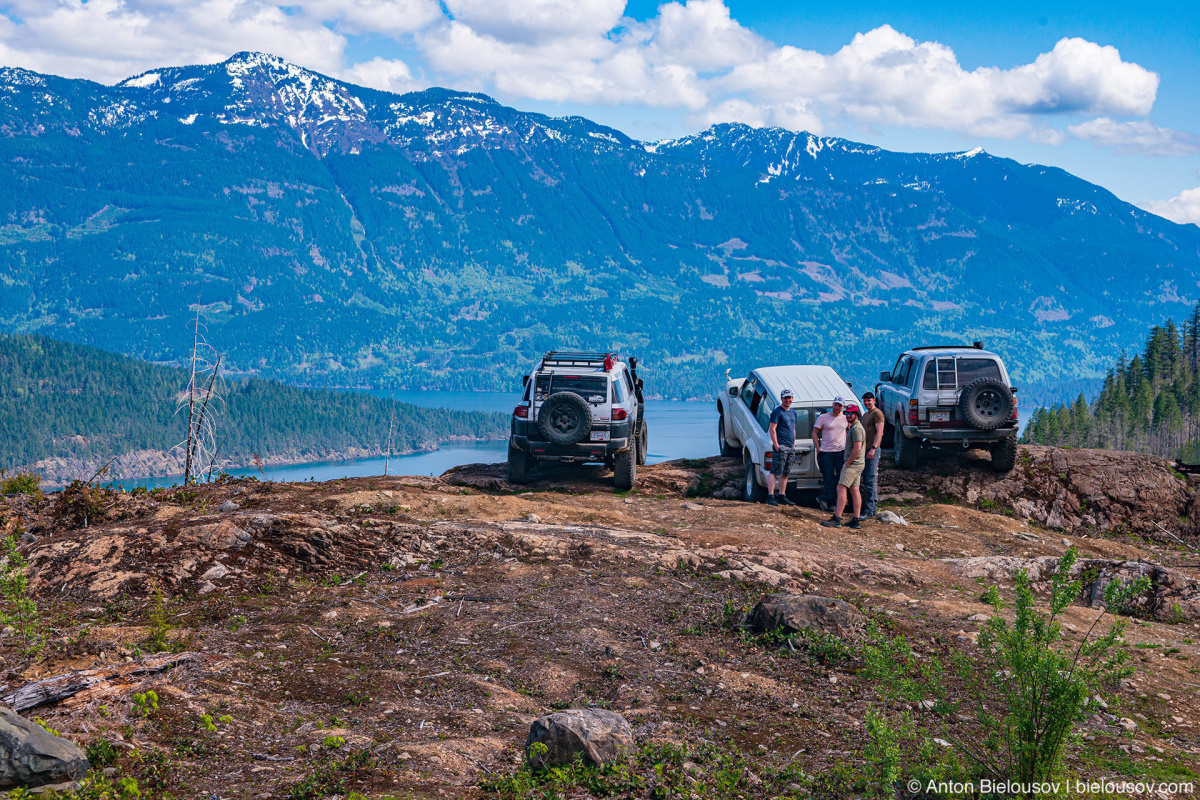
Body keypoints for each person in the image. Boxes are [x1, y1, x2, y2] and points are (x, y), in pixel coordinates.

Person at [821, 404, 865, 529]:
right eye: (847, 413)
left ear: (857, 414)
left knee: (840, 488)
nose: (848, 415)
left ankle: (837, 518)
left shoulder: (856, 429)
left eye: (851, 413)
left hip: (853, 464)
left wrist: (848, 462)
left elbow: (857, 448)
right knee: (854, 490)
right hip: (858, 464)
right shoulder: (855, 427)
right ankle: (856, 520)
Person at [812, 397, 848, 511]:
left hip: (841, 451)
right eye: (835, 405)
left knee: (840, 477)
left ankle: (825, 498)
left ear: (843, 407)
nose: (837, 408)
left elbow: (849, 431)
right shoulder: (823, 417)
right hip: (826, 452)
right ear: (832, 404)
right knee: (828, 477)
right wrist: (818, 448)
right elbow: (814, 432)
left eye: (839, 406)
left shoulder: (846, 418)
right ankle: (831, 503)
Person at [766, 389, 798, 506]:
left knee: (786, 472)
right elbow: (772, 429)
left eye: (789, 398)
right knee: (775, 471)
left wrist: (794, 442)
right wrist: (776, 445)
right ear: (781, 399)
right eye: (785, 398)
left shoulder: (793, 412)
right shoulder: (777, 412)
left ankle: (781, 495)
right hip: (781, 446)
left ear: (792, 399)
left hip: (790, 446)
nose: (787, 400)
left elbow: (793, 428)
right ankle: (770, 495)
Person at [859, 392, 886, 519]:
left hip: (872, 450)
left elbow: (880, 432)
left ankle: (870, 509)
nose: (866, 403)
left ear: (874, 400)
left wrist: (874, 449)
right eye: (864, 401)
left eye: (869, 400)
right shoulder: (865, 414)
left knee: (870, 478)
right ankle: (870, 508)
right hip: (865, 450)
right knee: (866, 478)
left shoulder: (877, 413)